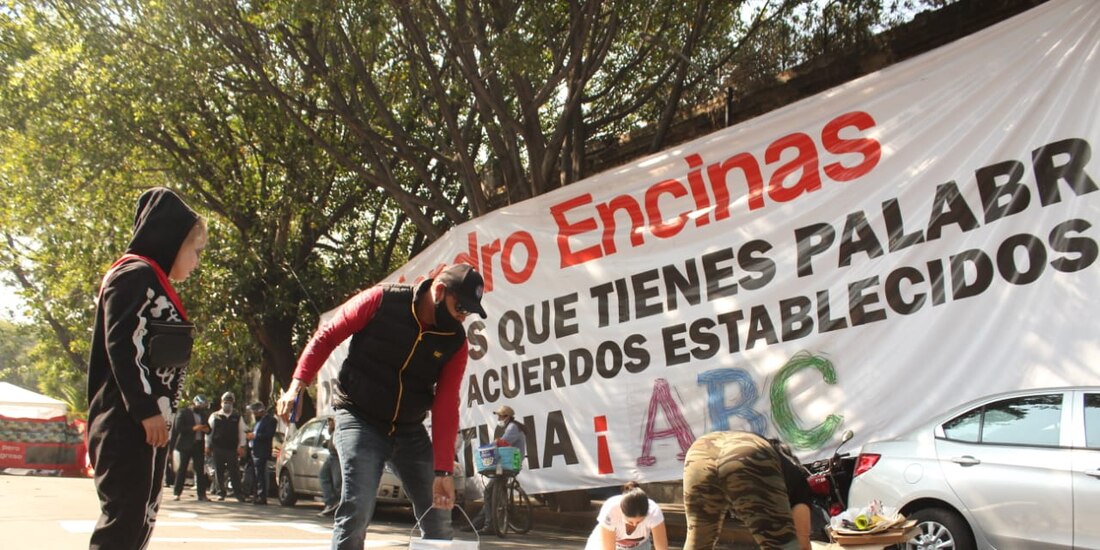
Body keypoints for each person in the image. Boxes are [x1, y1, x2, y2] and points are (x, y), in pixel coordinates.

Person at [276, 263, 487, 549]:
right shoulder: (381, 300)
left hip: (409, 429)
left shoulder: (456, 343)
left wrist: (443, 472)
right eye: (459, 308)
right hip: (359, 418)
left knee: (439, 514)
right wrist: (296, 387)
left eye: (467, 312)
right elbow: (326, 337)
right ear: (439, 291)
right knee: (358, 508)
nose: (462, 318)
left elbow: (446, 405)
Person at [86, 187, 207, 549]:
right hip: (126, 422)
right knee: (124, 522)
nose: (197, 262)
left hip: (145, 426)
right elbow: (123, 345)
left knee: (140, 520)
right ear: (172, 240)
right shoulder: (134, 275)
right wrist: (145, 409)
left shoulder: (149, 278)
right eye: (196, 251)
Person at [681, 431, 814, 550]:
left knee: (698, 542)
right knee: (783, 545)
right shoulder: (800, 483)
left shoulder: (781, 462)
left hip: (702, 450)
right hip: (746, 453)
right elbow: (803, 544)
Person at [469, 404, 527, 533]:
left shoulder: (512, 427)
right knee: (493, 492)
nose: (499, 419)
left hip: (507, 465)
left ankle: (489, 525)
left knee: (488, 492)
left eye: (500, 416)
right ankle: (482, 522)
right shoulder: (514, 426)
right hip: (508, 463)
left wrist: (492, 444)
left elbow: (503, 442)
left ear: (507, 417)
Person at [584, 482, 669, 550]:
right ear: (621, 511)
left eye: (639, 522)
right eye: (630, 522)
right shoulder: (610, 510)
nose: (635, 525)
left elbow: (661, 547)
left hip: (640, 546)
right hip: (604, 542)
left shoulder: (654, 512)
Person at [208, 391, 247, 502]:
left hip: (231, 449)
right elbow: (209, 432)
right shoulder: (215, 416)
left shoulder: (237, 417)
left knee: (234, 472)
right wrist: (206, 445)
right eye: (225, 402)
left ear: (233, 403)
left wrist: (241, 446)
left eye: (229, 402)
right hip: (218, 448)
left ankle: (239, 494)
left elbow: (242, 432)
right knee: (219, 472)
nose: (227, 404)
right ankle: (221, 493)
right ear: (221, 403)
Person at [171, 394, 211, 501]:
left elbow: (209, 428)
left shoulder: (203, 415)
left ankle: (202, 494)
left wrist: (206, 429)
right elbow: (178, 428)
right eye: (200, 405)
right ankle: (177, 493)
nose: (201, 408)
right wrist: (193, 428)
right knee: (182, 469)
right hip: (186, 445)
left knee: (200, 470)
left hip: (198, 445)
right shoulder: (184, 412)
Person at [246, 402, 277, 505]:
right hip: (253, 450)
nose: (254, 414)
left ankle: (262, 496)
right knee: (254, 475)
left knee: (260, 474)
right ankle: (256, 495)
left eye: (255, 412)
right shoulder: (256, 422)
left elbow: (268, 435)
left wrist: (255, 436)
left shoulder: (270, 421)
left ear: (260, 411)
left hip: (261, 451)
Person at [318, 416, 341, 517]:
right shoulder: (333, 430)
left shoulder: (340, 427)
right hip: (331, 456)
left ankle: (339, 505)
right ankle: (330, 502)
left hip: (337, 457)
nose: (329, 423)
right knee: (323, 476)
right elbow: (330, 436)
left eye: (331, 421)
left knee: (337, 483)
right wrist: (331, 427)